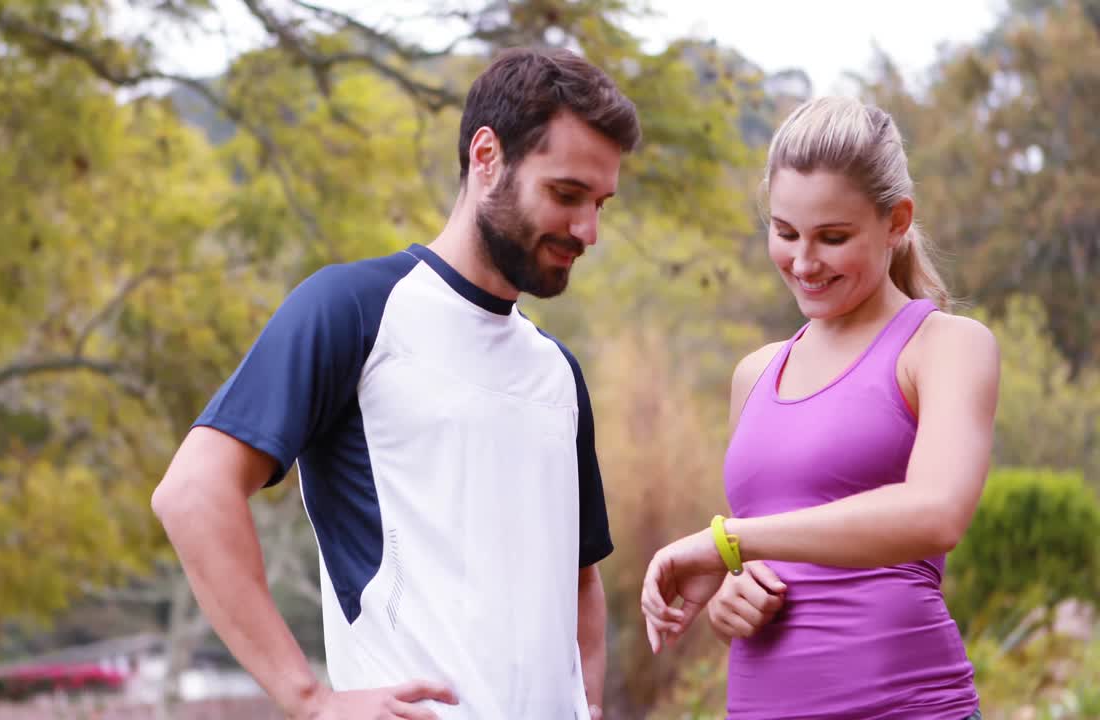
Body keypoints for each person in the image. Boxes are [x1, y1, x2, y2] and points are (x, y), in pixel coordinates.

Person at [151, 47, 640, 720]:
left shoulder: (557, 372)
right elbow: (192, 493)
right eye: (566, 194)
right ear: (487, 156)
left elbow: (580, 579)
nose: (588, 229)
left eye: (600, 203)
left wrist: (586, 707)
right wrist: (312, 701)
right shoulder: (352, 310)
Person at [639, 96, 999, 720]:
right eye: (785, 233)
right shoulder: (755, 374)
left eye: (833, 238)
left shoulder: (945, 347)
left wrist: (727, 544)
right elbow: (770, 552)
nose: (804, 263)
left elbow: (936, 513)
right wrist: (730, 596)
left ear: (897, 221)